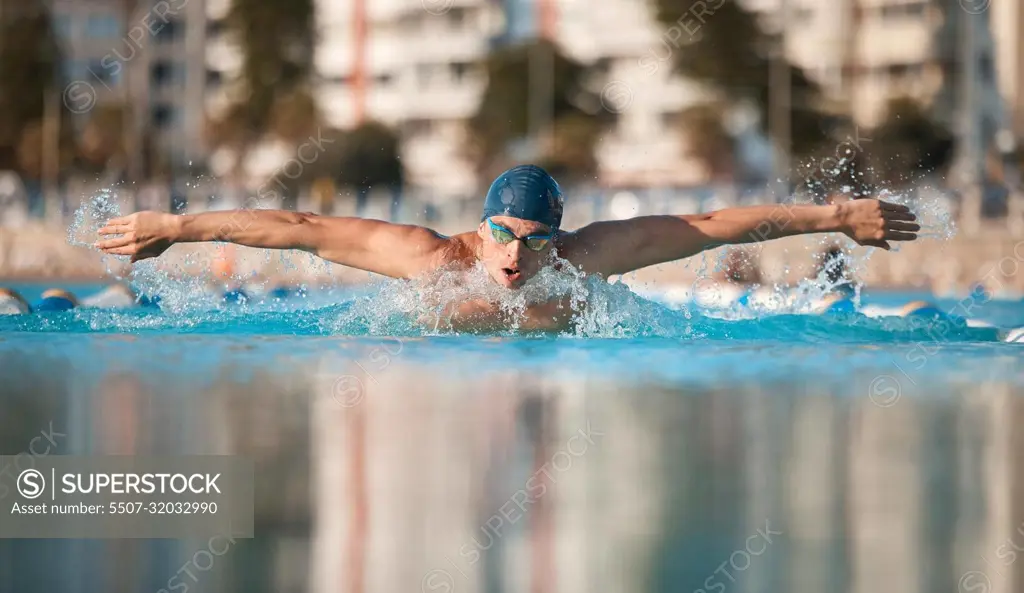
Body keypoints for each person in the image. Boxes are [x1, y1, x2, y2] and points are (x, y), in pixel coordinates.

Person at [95, 164, 920, 331]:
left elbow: (707, 227)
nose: (516, 256)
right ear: (479, 224)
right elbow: (301, 232)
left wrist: (835, 215)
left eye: (535, 239)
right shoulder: (431, 258)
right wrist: (175, 226)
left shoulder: (581, 258)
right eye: (504, 235)